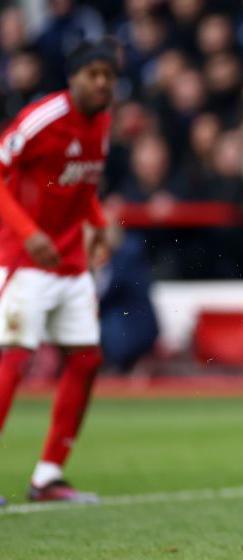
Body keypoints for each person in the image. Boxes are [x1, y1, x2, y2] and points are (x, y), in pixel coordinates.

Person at [0, 38, 118, 505]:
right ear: (74, 78)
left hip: (71, 263)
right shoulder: (40, 119)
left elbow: (80, 185)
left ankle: (48, 475)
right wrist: (27, 232)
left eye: (109, 76)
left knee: (86, 360)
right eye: (94, 75)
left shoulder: (103, 123)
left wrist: (98, 221)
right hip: (25, 261)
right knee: (14, 359)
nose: (102, 83)